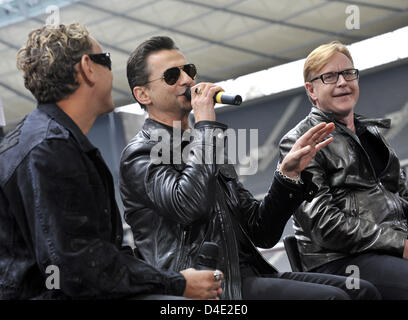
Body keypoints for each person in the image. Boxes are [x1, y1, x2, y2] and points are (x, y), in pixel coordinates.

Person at [119, 36, 381, 300]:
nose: (187, 80)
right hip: (206, 288)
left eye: (189, 70)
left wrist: (287, 176)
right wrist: (206, 127)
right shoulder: (141, 153)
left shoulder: (202, 146)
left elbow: (261, 232)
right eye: (172, 75)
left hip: (247, 274)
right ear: (143, 94)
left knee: (362, 291)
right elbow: (188, 206)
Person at [0, 23, 223, 300]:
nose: (111, 69)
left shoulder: (53, 141)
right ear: (87, 67)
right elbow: (77, 267)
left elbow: (93, 256)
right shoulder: (50, 149)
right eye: (104, 59)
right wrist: (176, 283)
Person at [279, 40, 408, 299]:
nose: (342, 82)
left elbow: (401, 196)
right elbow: (324, 225)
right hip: (341, 260)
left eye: (348, 73)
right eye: (329, 77)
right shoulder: (300, 141)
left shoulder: (371, 133)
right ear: (311, 90)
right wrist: (399, 243)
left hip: (388, 248)